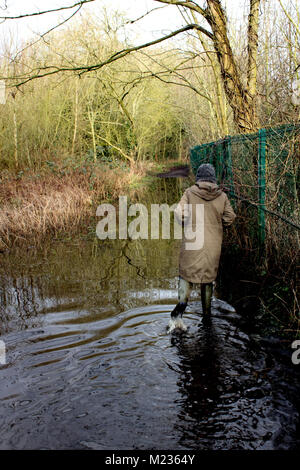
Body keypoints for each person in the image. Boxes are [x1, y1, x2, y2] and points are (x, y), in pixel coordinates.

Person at [168, 163, 236, 332]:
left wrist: (188, 223)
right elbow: (230, 217)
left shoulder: (190, 193)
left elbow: (178, 213)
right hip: (213, 247)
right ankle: (207, 318)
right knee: (208, 279)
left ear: (199, 178)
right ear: (213, 178)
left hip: (192, 244)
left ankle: (179, 312)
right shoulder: (222, 197)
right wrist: (218, 224)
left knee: (186, 275)